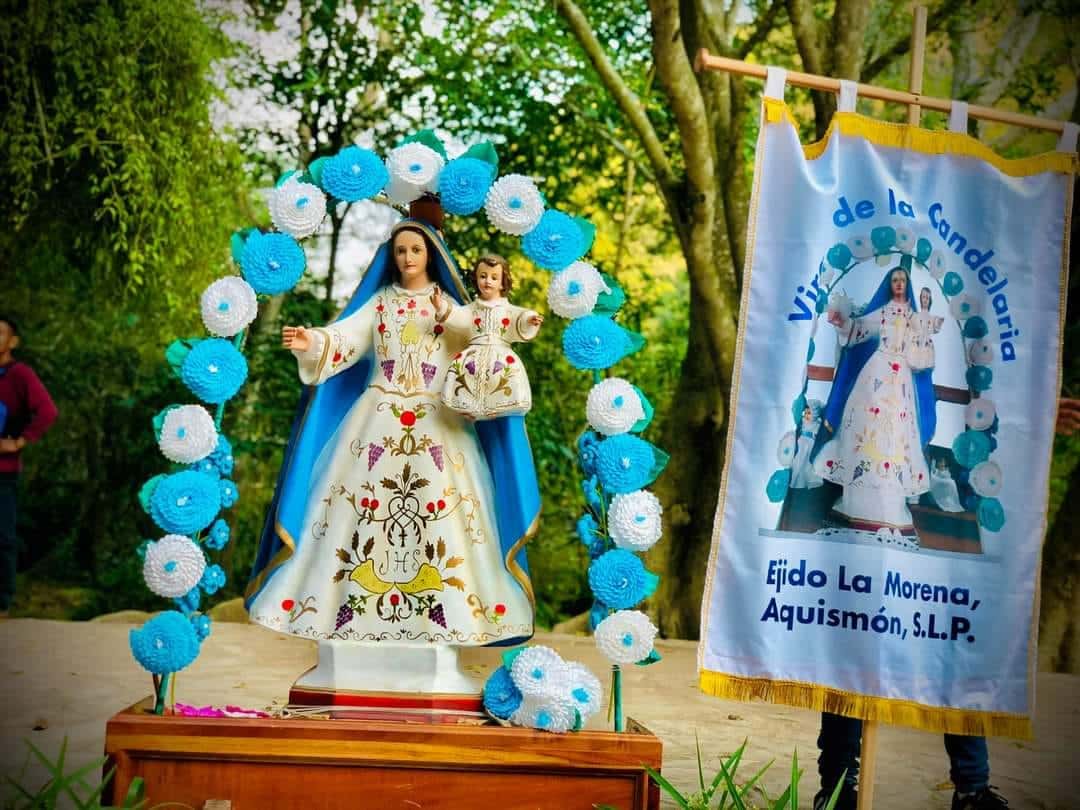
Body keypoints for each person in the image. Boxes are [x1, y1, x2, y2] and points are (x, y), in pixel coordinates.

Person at [244, 215, 539, 656]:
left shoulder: (450, 307)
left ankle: (441, 626)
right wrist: (313, 341)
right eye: (400, 251)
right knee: (358, 514)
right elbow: (347, 338)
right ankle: (351, 621)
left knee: (444, 517)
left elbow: (486, 335)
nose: (407, 258)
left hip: (438, 421)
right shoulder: (380, 303)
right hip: (375, 418)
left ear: (430, 255)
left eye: (416, 250)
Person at [814, 398, 1080, 810]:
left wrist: (1033, 409)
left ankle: (972, 788)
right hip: (861, 501)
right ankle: (836, 788)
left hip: (930, 515)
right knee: (854, 638)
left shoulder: (948, 353)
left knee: (951, 635)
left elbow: (982, 401)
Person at [812, 266, 936, 532]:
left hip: (900, 380)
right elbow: (859, 329)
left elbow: (923, 351)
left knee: (897, 437)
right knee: (862, 430)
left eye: (903, 279)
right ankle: (856, 503)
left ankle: (891, 507)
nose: (899, 283)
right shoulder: (884, 312)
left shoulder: (915, 317)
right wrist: (842, 322)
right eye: (895, 279)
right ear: (890, 284)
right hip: (875, 374)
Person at [435, 253, 544, 420]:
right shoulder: (473, 309)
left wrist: (530, 320)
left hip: (500, 355)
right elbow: (457, 316)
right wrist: (441, 305)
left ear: (502, 282)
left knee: (503, 377)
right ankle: (469, 407)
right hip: (474, 356)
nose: (488, 281)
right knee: (467, 377)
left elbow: (520, 317)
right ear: (476, 279)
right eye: (483, 276)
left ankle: (498, 407)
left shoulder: (507, 309)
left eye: (494, 277)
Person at [0, 315, 58, 618]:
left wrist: (21, 441)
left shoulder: (19, 375)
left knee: (3, 536)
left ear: (13, 342)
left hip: (4, 471)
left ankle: (3, 602)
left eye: (1, 333)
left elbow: (47, 410)